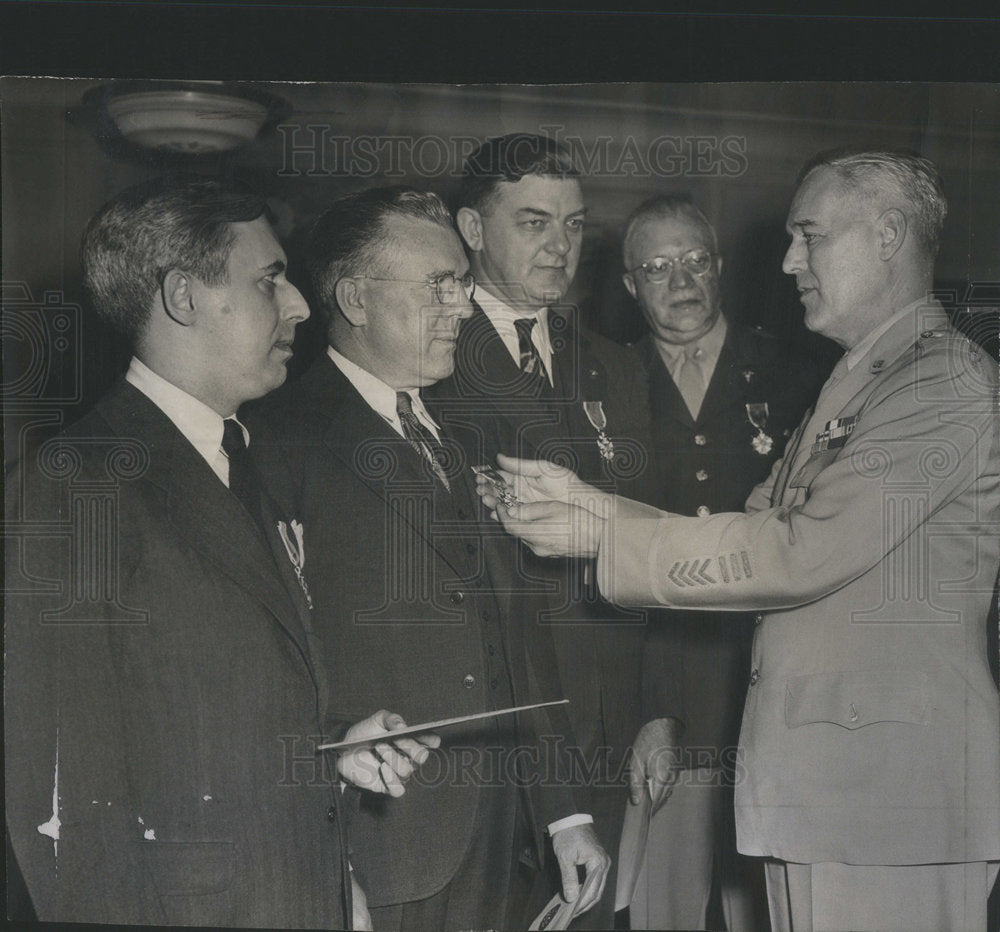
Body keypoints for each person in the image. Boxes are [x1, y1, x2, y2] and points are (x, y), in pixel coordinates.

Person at [480, 149, 1000, 932]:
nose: (789, 262)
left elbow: (798, 553)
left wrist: (599, 534)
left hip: (891, 802)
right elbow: (758, 532)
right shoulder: (855, 381)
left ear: (889, 233)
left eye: (809, 235)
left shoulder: (939, 381)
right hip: (829, 797)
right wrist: (597, 509)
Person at [3, 176, 429, 929]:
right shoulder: (76, 482)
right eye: (269, 280)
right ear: (183, 297)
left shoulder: (240, 456)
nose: (299, 304)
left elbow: (206, 713)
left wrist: (328, 751)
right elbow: (62, 807)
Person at [248, 185, 609, 932]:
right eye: (439, 286)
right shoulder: (274, 438)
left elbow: (517, 635)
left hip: (498, 838)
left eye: (463, 285)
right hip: (376, 844)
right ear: (355, 297)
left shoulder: (463, 433)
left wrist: (563, 810)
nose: (461, 307)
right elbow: (262, 663)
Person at [426, 133, 649, 929]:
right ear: (473, 230)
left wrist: (655, 709)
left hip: (606, 719)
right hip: (493, 726)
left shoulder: (617, 367)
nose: (561, 247)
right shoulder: (429, 357)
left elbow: (647, 536)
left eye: (575, 225)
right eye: (533, 222)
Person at [617, 193, 824, 930]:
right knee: (662, 909)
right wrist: (647, 711)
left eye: (696, 261)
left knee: (774, 912)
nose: (682, 281)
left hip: (771, 698)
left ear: (721, 267)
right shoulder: (607, 385)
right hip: (657, 700)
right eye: (658, 267)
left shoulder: (800, 375)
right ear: (629, 284)